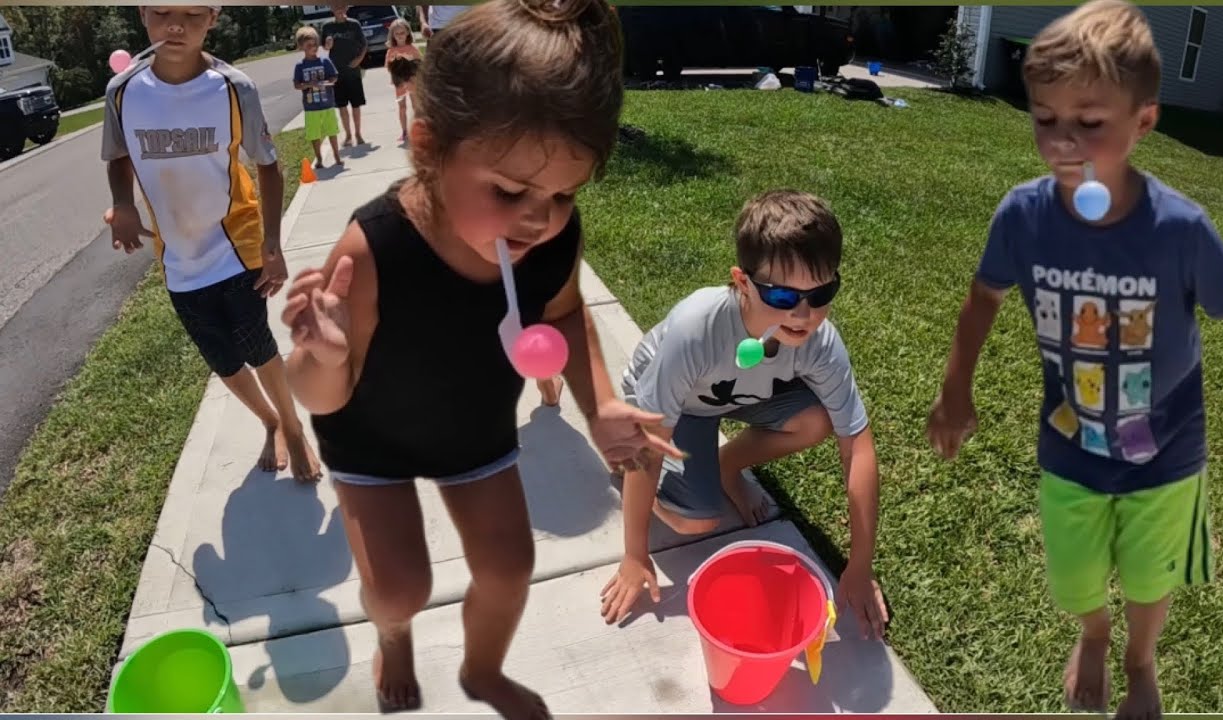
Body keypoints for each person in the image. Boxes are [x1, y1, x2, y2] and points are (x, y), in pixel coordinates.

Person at [280, 0, 679, 714]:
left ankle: (481, 669)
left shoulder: (553, 236)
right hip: (368, 433)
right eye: (509, 191)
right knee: (396, 586)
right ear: (430, 147)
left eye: (564, 193)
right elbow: (319, 398)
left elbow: (561, 310)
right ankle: (394, 635)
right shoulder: (372, 252)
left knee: (509, 567)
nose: (540, 217)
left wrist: (601, 406)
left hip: (475, 426)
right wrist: (324, 354)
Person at [925, 1, 1223, 717]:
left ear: (1142, 123)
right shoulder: (1022, 216)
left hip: (1169, 452)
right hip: (1070, 446)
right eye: (1044, 117)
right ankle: (1092, 633)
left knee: (1151, 579)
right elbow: (983, 299)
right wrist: (955, 386)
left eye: (1089, 122)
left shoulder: (1178, 229)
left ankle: (1139, 657)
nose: (1061, 141)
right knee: (1076, 577)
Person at [599, 190, 890, 641]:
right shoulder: (697, 329)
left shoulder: (819, 340)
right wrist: (636, 555)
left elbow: (858, 445)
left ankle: (725, 466)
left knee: (818, 420)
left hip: (740, 391)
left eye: (821, 293)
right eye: (780, 294)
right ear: (741, 282)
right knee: (696, 519)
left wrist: (860, 564)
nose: (803, 314)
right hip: (676, 405)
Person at [101, 5, 323, 483]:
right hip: (177, 257)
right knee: (221, 359)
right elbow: (117, 157)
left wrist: (272, 245)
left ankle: (292, 426)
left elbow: (267, 163)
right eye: (162, 12)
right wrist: (123, 204)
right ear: (143, 15)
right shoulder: (122, 92)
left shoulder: (232, 87)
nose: (176, 26)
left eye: (193, 15)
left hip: (235, 241)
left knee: (257, 344)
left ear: (214, 19)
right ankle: (268, 423)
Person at [294, 25, 343, 169]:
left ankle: (336, 156)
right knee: (314, 135)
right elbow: (297, 85)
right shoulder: (300, 66)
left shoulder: (325, 61)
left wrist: (327, 82)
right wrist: (308, 84)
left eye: (315, 44)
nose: (313, 47)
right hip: (311, 107)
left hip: (327, 104)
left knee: (332, 131)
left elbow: (334, 77)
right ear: (301, 46)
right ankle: (319, 159)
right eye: (309, 45)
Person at [321, 4, 367, 147]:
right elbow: (324, 47)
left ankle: (358, 133)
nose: (339, 9)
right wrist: (328, 45)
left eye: (341, 6)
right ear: (331, 9)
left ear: (346, 8)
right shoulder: (327, 26)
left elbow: (364, 44)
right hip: (336, 72)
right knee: (342, 106)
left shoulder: (354, 24)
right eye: (336, 7)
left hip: (353, 72)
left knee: (356, 105)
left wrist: (359, 60)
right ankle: (348, 135)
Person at [383, 18, 421, 144]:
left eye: (402, 33)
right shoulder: (391, 51)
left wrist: (410, 59)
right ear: (392, 35)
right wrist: (394, 60)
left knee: (416, 106)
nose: (400, 36)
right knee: (402, 107)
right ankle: (404, 131)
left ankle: (418, 130)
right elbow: (388, 67)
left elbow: (420, 64)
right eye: (397, 33)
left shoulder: (412, 48)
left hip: (413, 82)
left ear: (408, 33)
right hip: (399, 83)